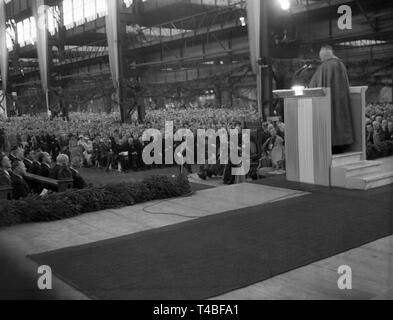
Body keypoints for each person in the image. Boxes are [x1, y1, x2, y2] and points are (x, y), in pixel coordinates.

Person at [309, 45, 354, 154]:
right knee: (341, 118)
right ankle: (344, 143)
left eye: (321, 57)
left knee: (331, 120)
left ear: (324, 56)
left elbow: (313, 86)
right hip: (341, 101)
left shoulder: (324, 67)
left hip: (329, 102)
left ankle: (333, 143)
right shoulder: (341, 65)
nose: (321, 59)